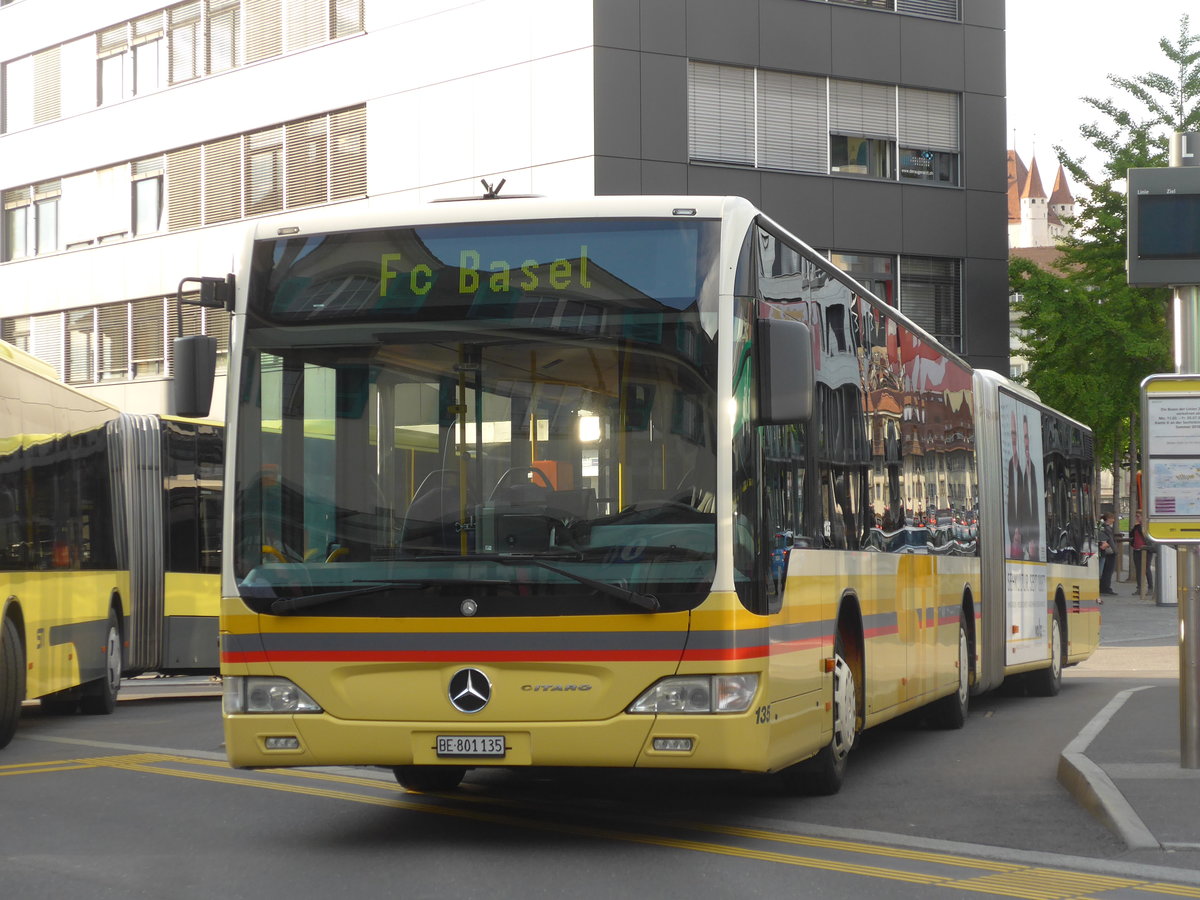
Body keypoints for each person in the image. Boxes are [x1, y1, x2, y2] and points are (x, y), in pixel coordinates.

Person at [1129, 510, 1154, 597]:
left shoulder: (1145, 526)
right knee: (1138, 569)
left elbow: (1144, 535)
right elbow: (1131, 535)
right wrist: (1135, 526)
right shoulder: (1137, 526)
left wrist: (1139, 525)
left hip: (1146, 549)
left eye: (1138, 516)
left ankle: (1150, 588)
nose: (1137, 518)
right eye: (1136, 516)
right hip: (1136, 549)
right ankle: (1139, 588)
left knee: (1146, 569)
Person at [1097, 512, 1117, 596]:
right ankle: (1105, 587)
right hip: (1108, 550)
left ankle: (1103, 587)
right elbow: (1110, 539)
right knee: (1108, 570)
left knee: (1105, 570)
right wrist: (1114, 549)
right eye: (1112, 518)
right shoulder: (1106, 528)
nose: (1113, 520)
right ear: (1108, 519)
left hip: (1106, 551)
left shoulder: (1102, 527)